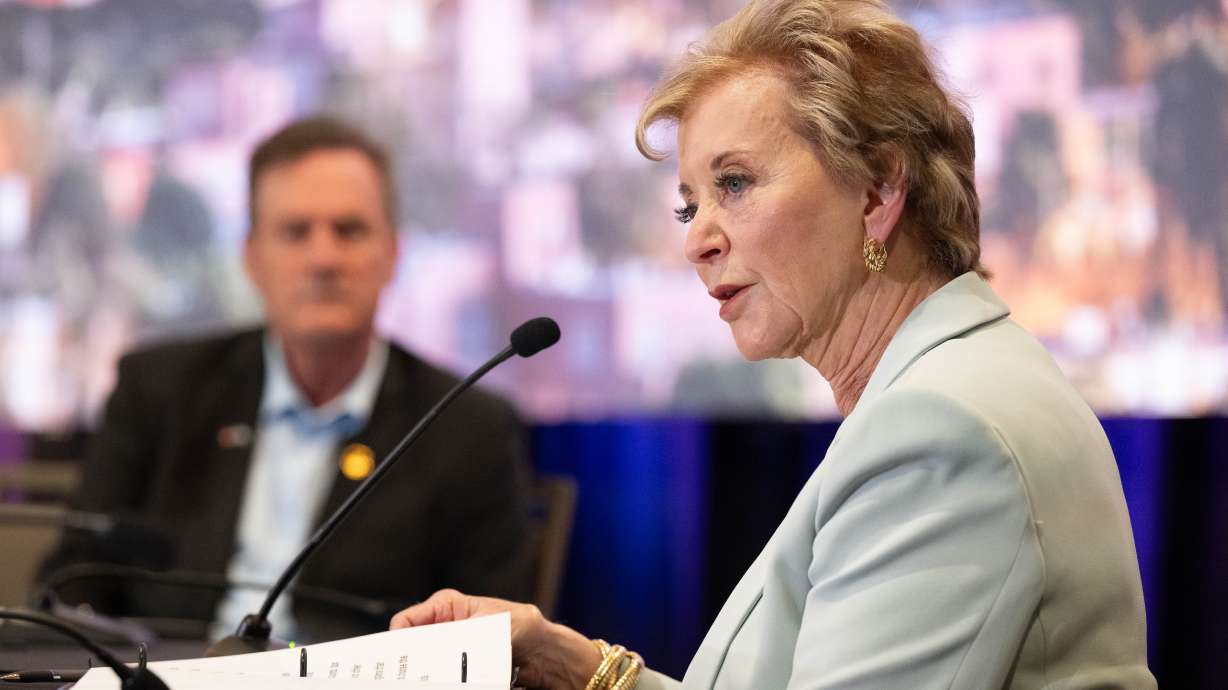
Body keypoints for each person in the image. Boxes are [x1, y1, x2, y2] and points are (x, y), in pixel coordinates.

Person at [389, 2, 1156, 688]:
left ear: (877, 190)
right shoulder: (940, 392)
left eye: (735, 184)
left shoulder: (942, 430)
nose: (698, 241)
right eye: (690, 204)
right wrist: (584, 670)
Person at [40, 116, 534, 642]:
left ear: (393, 253)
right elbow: (70, 585)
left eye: (350, 230)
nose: (323, 258)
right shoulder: (157, 390)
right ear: (252, 258)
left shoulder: (467, 427)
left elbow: (497, 640)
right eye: (295, 232)